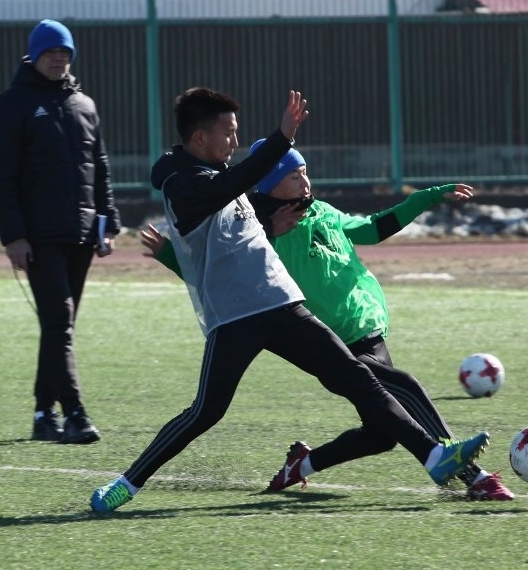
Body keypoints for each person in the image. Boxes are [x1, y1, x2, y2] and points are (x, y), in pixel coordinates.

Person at [90, 86, 489, 513]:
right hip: (236, 316)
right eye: (228, 132)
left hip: (280, 301)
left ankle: (433, 456)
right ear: (201, 137)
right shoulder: (182, 186)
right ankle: (127, 483)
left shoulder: (219, 176)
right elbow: (228, 193)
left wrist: (269, 219)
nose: (235, 140)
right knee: (207, 411)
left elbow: (239, 219)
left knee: (356, 376)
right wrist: (281, 138)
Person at [0, 19, 121, 444]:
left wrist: (108, 222)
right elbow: (0, 177)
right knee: (59, 321)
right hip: (38, 236)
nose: (58, 59)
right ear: (34, 56)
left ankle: (44, 414)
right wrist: (13, 236)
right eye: (50, 52)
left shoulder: (85, 104)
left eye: (64, 52)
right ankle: (75, 414)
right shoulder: (9, 106)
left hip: (81, 233)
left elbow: (99, 167)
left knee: (59, 325)